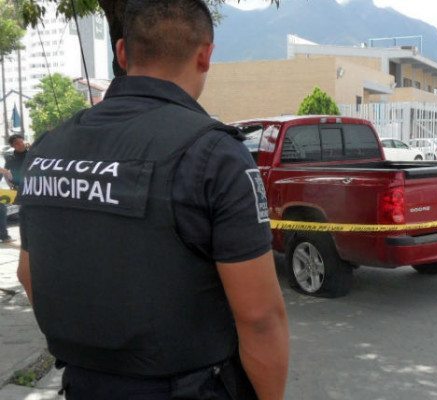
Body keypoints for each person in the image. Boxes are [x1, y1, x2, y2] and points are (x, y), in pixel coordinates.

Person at [16, 1, 289, 399]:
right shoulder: (215, 154)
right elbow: (260, 317)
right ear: (206, 55)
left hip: (83, 383)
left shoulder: (47, 147)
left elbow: (28, 274)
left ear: (122, 52)